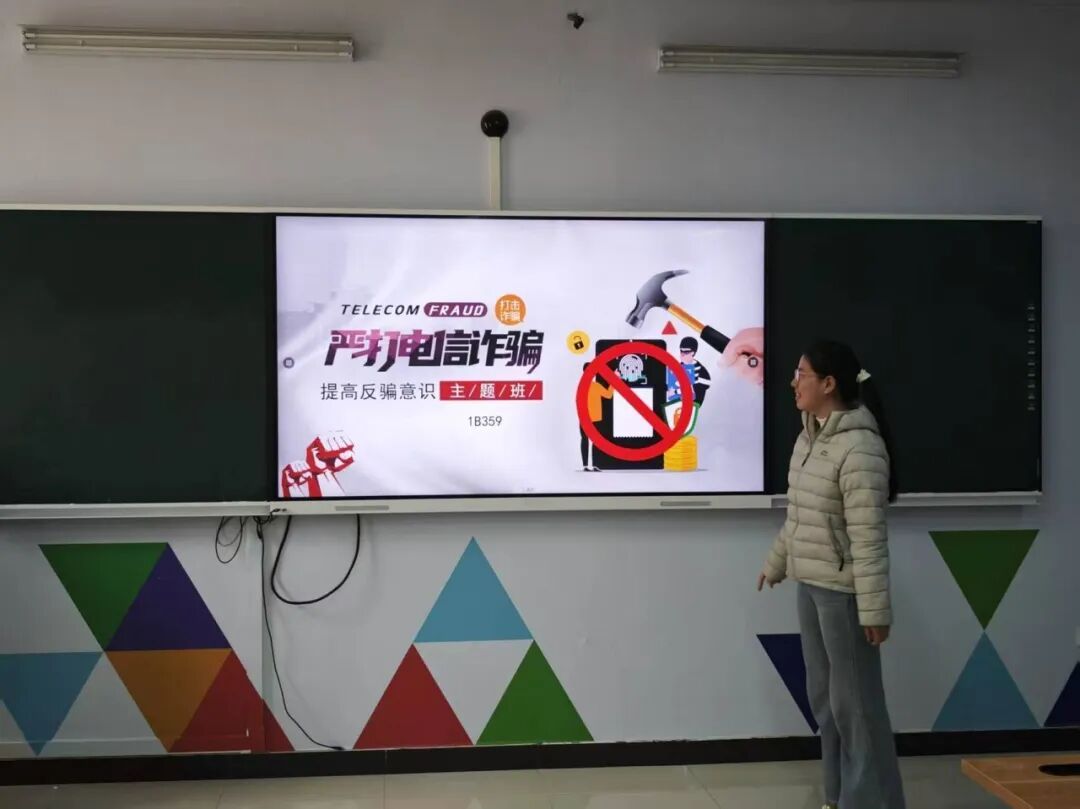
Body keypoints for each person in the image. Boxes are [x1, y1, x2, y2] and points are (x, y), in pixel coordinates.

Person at [757, 340, 905, 809]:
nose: (793, 382)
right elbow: (801, 515)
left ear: (828, 383)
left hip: (843, 594)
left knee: (855, 706)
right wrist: (777, 562)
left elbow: (868, 537)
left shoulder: (860, 447)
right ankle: (838, 797)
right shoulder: (809, 438)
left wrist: (874, 610)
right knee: (825, 701)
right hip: (811, 584)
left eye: (801, 374)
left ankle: (873, 802)